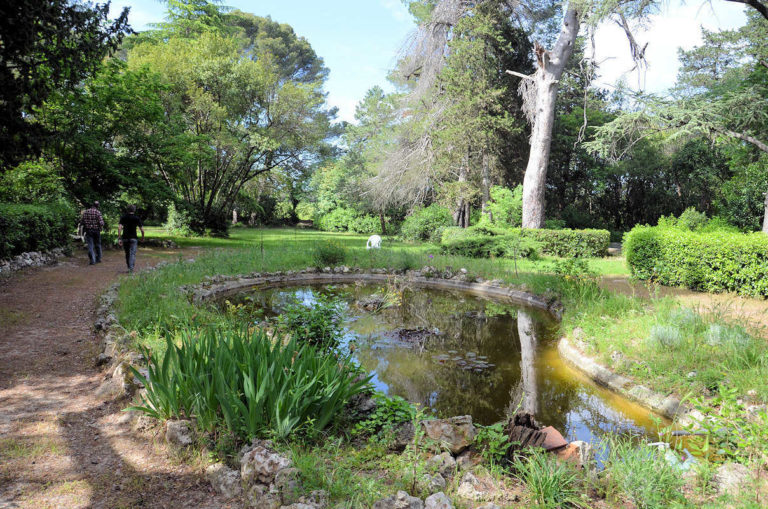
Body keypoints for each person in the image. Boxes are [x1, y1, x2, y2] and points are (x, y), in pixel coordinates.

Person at [118, 205, 144, 273]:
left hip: (125, 238)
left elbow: (119, 228)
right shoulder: (136, 218)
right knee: (132, 253)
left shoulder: (123, 217)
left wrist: (119, 238)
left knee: (127, 253)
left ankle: (129, 267)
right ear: (134, 210)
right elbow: (142, 230)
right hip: (134, 238)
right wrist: (142, 237)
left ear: (127, 210)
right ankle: (131, 268)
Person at [79, 201, 104, 265]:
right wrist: (101, 228)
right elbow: (101, 223)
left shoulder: (86, 212)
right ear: (97, 206)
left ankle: (92, 260)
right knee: (98, 244)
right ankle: (98, 259)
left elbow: (82, 222)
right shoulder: (98, 212)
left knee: (90, 245)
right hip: (96, 231)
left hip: (88, 230)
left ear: (92, 205)